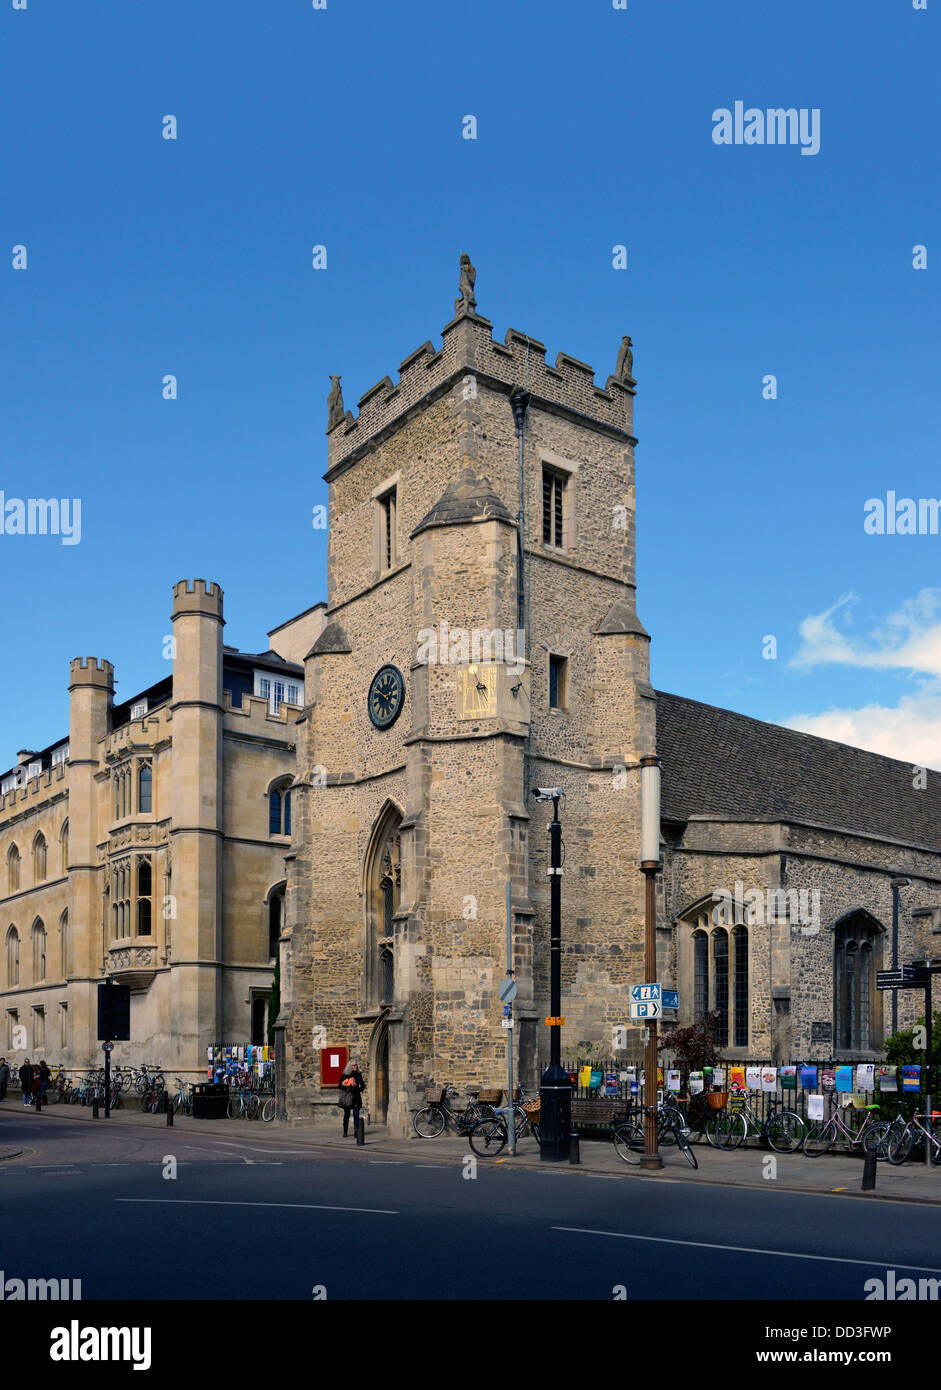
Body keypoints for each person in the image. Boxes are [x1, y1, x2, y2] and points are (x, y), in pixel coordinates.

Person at [338, 1059, 365, 1137]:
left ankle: (356, 1132)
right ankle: (345, 1131)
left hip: (356, 1097)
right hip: (348, 1097)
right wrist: (347, 1083)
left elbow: (363, 1085)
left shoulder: (358, 1074)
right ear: (350, 1066)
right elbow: (339, 1085)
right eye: (353, 1065)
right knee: (347, 1115)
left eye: (356, 1065)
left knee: (356, 1115)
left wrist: (358, 1090)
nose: (355, 1066)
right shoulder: (345, 1075)